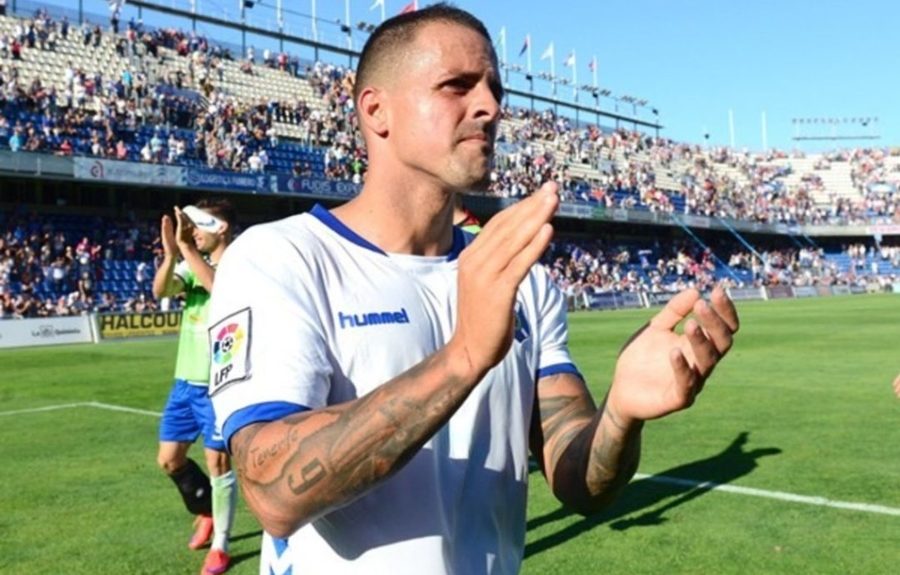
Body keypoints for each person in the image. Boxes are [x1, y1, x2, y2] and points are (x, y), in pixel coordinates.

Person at [207, 5, 740, 575]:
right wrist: (464, 355)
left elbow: (578, 482)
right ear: (376, 110)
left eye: (493, 88)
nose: (488, 107)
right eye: (456, 86)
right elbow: (272, 492)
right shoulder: (281, 258)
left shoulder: (522, 278)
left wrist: (621, 413)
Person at [153, 199, 237, 575]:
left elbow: (221, 290)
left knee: (218, 463)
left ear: (220, 228)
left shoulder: (239, 263)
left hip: (218, 386)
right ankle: (206, 511)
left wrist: (186, 247)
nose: (194, 233)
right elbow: (161, 291)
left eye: (199, 227)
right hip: (184, 383)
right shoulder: (188, 263)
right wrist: (172, 254)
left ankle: (220, 546)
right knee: (169, 460)